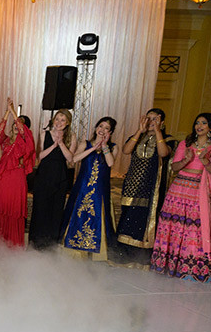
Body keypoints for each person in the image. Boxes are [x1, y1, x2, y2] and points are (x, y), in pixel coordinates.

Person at [151, 113, 211, 283]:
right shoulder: (186, 144)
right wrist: (186, 159)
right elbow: (175, 167)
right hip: (178, 190)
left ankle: (190, 269)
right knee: (173, 225)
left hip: (197, 191)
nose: (199, 126)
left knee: (193, 228)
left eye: (204, 123)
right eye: (197, 123)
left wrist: (205, 161)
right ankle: (167, 265)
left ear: (209, 127)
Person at [114, 109, 176, 265]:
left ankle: (141, 255)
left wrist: (157, 132)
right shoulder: (138, 136)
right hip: (132, 184)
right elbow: (126, 150)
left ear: (162, 123)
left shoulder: (168, 139)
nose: (151, 122)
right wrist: (139, 131)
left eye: (155, 119)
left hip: (151, 187)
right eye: (148, 118)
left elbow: (163, 154)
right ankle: (123, 253)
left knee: (144, 217)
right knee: (127, 214)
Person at [60, 117, 118, 260]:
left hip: (99, 190)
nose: (102, 130)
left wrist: (104, 146)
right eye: (100, 126)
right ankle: (74, 247)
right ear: (95, 127)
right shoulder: (84, 143)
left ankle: (96, 252)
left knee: (97, 215)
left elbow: (110, 163)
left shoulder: (113, 147)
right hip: (82, 187)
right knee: (78, 213)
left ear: (110, 132)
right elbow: (74, 159)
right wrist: (92, 148)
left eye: (106, 128)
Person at [0, 98, 34, 246]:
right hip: (3, 178)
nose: (17, 125)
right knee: (1, 208)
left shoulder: (25, 142)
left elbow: (22, 130)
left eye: (21, 123)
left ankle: (12, 243)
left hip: (17, 178)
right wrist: (7, 112)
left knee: (13, 210)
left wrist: (14, 112)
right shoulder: (6, 141)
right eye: (16, 123)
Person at [28, 109, 73, 249]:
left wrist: (61, 144)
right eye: (57, 119)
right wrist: (53, 145)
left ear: (67, 123)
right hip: (44, 176)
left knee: (56, 211)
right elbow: (39, 156)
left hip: (60, 177)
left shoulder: (71, 136)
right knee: (40, 208)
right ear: (53, 120)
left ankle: (51, 245)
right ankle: (36, 243)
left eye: (63, 120)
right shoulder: (44, 134)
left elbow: (70, 159)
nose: (59, 122)